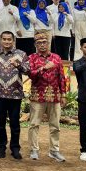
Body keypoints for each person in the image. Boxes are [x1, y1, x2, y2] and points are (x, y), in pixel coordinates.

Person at [28, 32, 67, 162]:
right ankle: (34, 150)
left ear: (48, 43)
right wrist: (44, 68)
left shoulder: (56, 57)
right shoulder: (32, 58)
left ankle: (54, 151)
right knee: (34, 124)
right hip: (37, 96)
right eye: (39, 43)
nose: (42, 45)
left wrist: (63, 95)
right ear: (35, 44)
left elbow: (61, 77)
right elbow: (31, 75)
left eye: (44, 42)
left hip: (54, 96)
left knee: (55, 125)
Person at [0, 31, 29, 159]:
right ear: (0, 40)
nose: (7, 41)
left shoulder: (21, 54)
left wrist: (18, 64)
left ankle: (15, 148)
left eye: (9, 39)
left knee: (15, 123)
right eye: (4, 39)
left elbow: (28, 71)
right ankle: (1, 147)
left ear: (13, 40)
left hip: (15, 95)